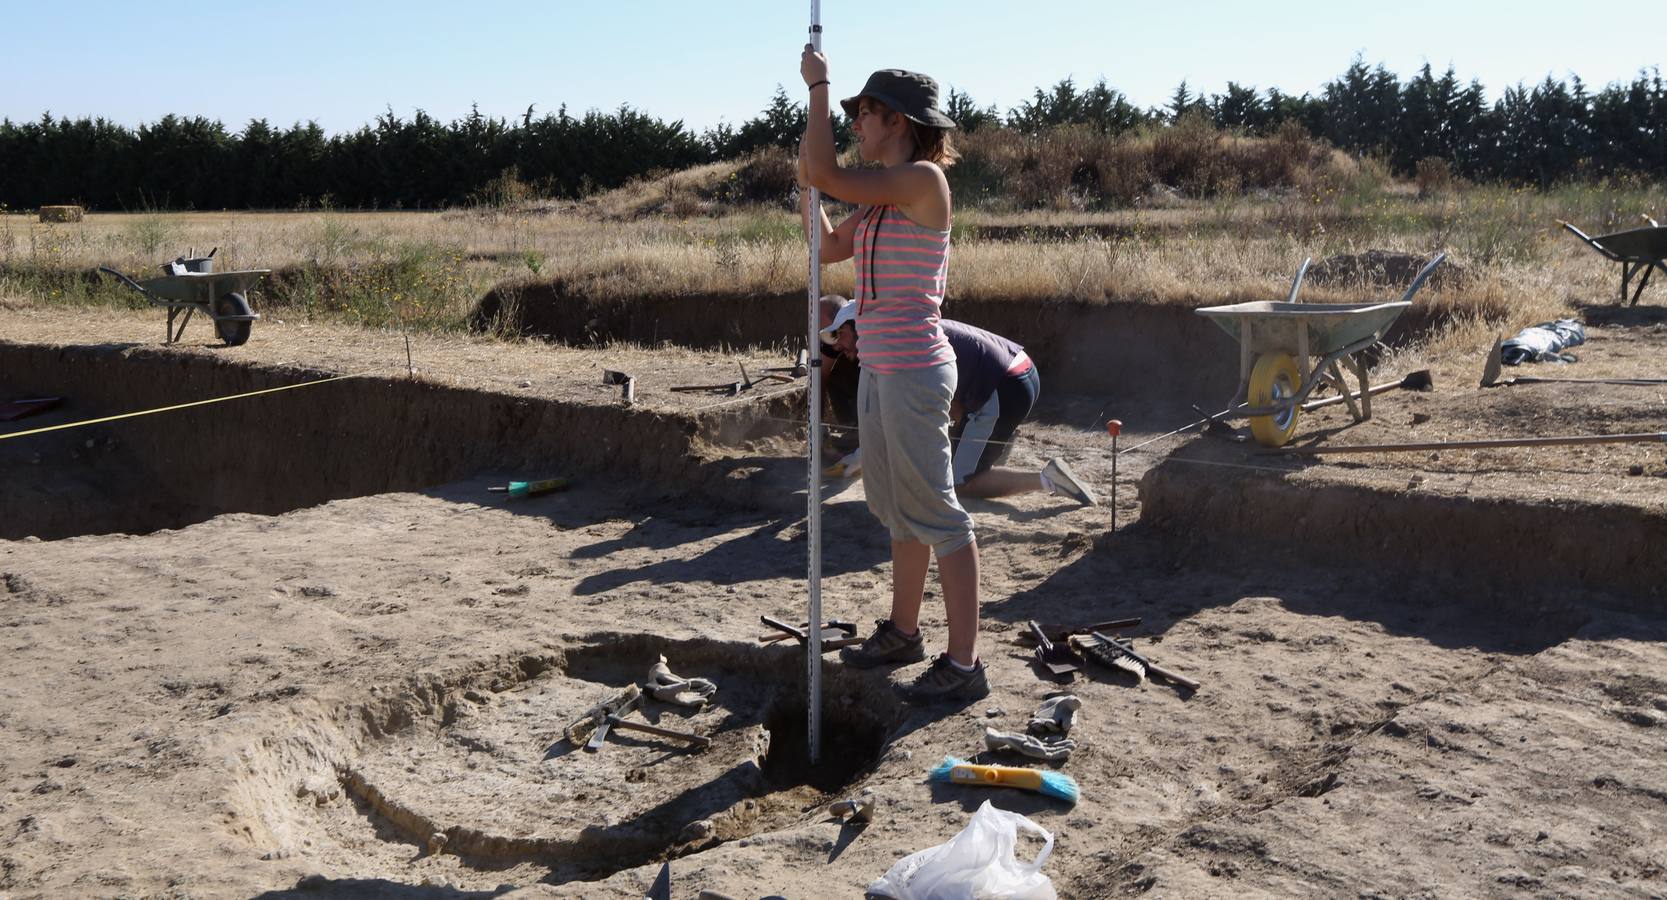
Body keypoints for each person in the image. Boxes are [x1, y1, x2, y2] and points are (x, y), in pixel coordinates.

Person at [797, 52, 985, 703]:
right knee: (901, 514)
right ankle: (903, 633)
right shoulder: (881, 200)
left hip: (912, 371)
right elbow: (827, 248)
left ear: (895, 120)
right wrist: (806, 189)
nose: (854, 123)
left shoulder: (922, 181)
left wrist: (818, 88)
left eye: (861, 113)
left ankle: (963, 666)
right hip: (881, 369)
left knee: (938, 516)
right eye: (848, 113)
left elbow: (828, 169)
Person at [817, 296, 1098, 506]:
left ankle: (1047, 478)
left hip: (1004, 388)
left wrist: (858, 460)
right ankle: (997, 443)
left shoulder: (898, 352)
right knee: (953, 453)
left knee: (961, 484)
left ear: (862, 327)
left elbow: (903, 420)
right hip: (1020, 371)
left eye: (841, 334)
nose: (839, 345)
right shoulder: (907, 332)